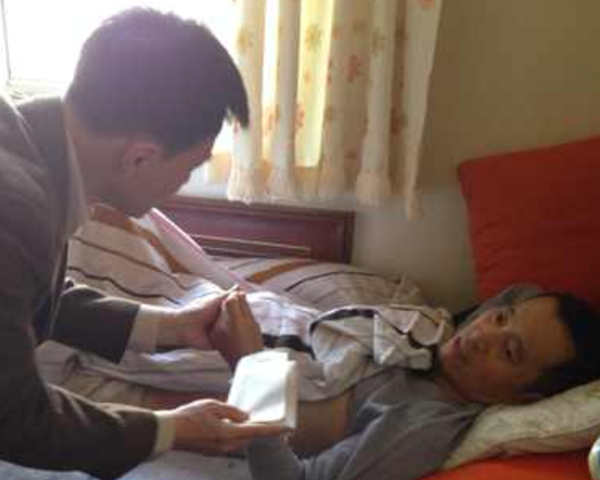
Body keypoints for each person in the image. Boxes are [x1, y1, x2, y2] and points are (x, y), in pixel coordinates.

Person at [0, 7, 285, 480]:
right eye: (188, 169)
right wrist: (168, 430)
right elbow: (14, 417)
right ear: (139, 158)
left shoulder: (26, 139)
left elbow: (23, 296)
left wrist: (171, 327)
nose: (182, 186)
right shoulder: (15, 210)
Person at [208, 284, 600, 480]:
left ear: (525, 398)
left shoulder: (423, 426)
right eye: (499, 317)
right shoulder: (439, 342)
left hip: (230, 375)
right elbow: (522, 290)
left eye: (509, 352)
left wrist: (251, 365)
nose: (482, 336)